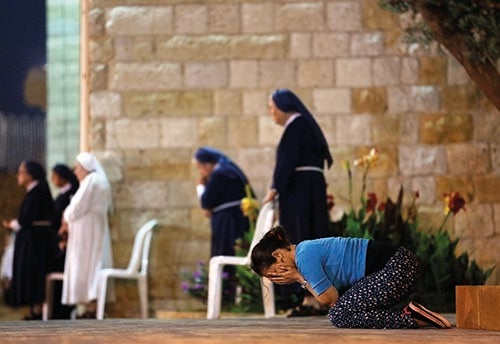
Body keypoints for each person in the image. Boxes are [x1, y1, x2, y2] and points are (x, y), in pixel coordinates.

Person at [251, 225, 452, 329]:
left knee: (339, 315)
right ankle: (413, 313)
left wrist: (297, 277)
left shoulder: (304, 258)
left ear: (278, 256)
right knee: (345, 308)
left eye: (273, 273)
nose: (278, 278)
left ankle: (411, 317)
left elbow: (330, 300)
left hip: (398, 268)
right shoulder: (305, 251)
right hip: (400, 266)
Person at [262, 88, 333, 316]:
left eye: (272, 107)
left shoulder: (296, 126)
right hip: (308, 190)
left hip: (300, 193)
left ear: (283, 107)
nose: (270, 112)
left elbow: (286, 162)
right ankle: (313, 297)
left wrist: (274, 189)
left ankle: (312, 299)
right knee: (310, 238)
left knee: (302, 241)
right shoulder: (303, 125)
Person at [60, 152, 113, 319]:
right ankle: (90, 307)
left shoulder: (91, 181)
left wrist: (66, 215)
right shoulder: (100, 180)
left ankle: (89, 308)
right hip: (92, 230)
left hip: (86, 233)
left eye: (78, 168)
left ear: (85, 168)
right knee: (93, 266)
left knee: (87, 267)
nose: (75, 172)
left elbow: (76, 207)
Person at [2, 160, 54, 320]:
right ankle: (34, 310)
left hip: (36, 243)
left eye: (21, 172)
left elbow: (27, 219)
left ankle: (37, 311)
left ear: (30, 175)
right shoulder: (34, 191)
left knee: (35, 275)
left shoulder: (37, 191)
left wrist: (13, 224)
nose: (18, 176)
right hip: (31, 241)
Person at [194, 146, 255, 258]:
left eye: (199, 167)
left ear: (207, 164)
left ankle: (226, 276)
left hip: (228, 222)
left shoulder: (219, 173)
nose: (200, 172)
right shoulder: (229, 168)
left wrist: (201, 187)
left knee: (226, 256)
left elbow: (206, 201)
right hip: (236, 218)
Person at [48, 164, 79, 319]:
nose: (52, 180)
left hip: (65, 242)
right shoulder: (63, 194)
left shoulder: (71, 195)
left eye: (54, 176)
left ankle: (62, 312)